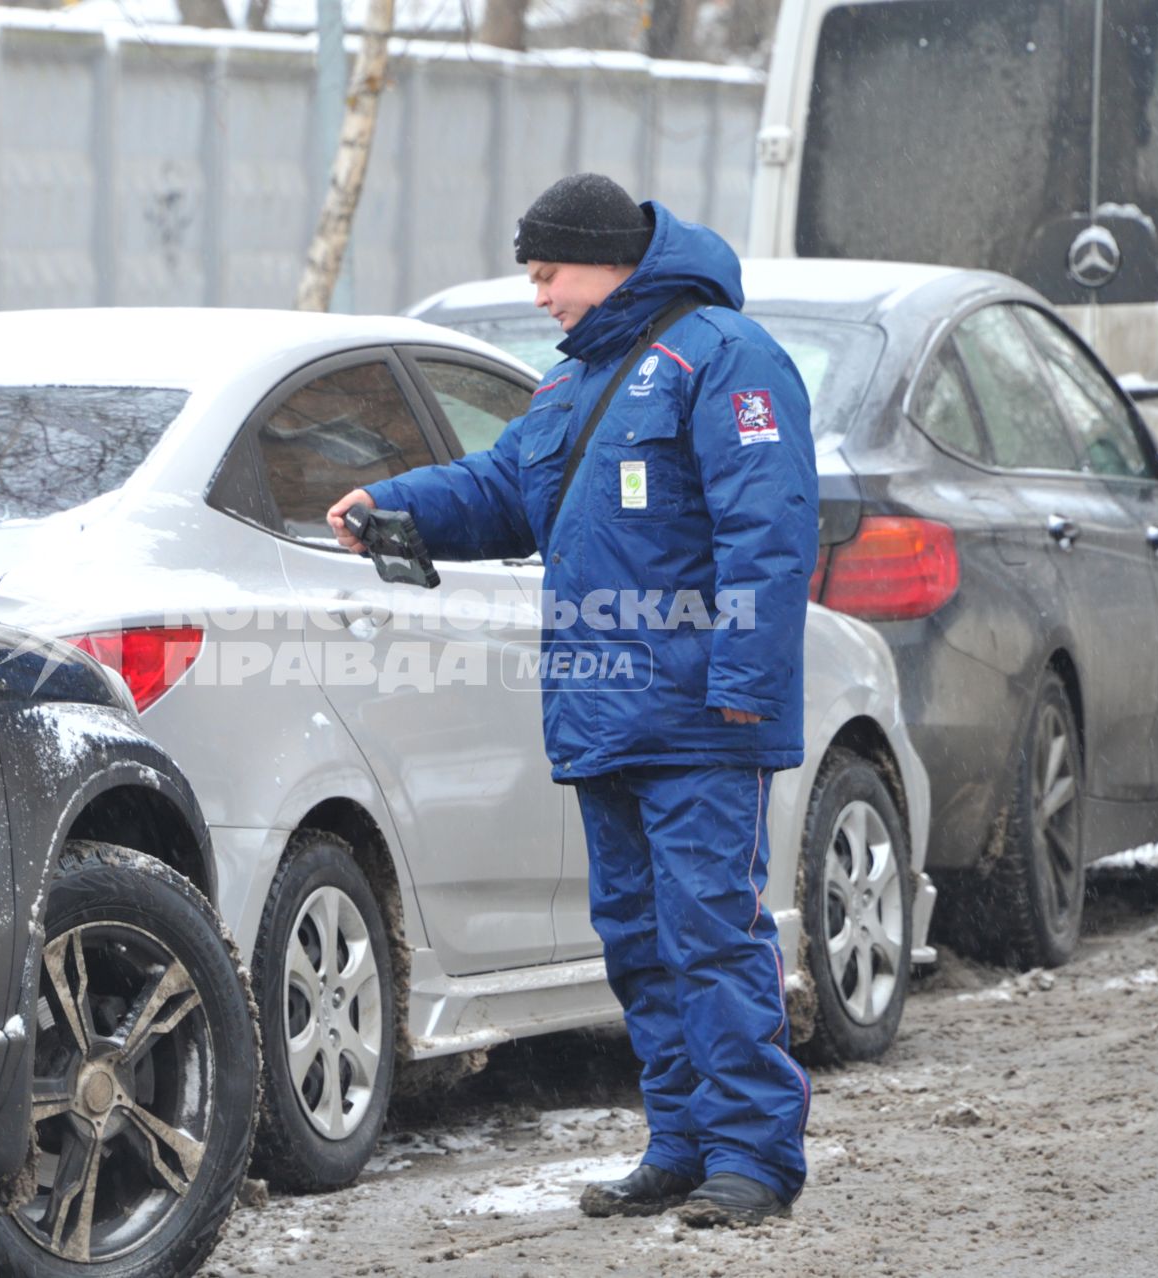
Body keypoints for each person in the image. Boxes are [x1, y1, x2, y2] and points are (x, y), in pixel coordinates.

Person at [327, 173, 817, 1227]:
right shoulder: (570, 385)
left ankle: (754, 1160)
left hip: (698, 720)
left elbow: (768, 539)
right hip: (606, 717)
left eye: (550, 271)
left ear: (611, 259)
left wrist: (742, 688)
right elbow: (502, 490)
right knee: (639, 943)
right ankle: (682, 1145)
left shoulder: (725, 357)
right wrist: (391, 504)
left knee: (713, 934)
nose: (540, 292)